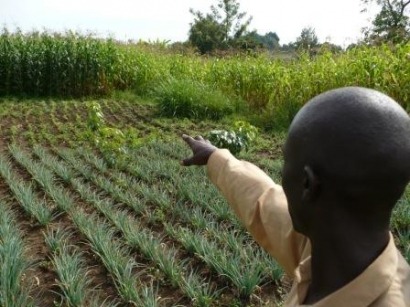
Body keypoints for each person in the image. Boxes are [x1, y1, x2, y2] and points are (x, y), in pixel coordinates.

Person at [181, 87, 410, 306]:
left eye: (286, 162)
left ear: (307, 185)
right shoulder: (327, 250)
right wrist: (216, 157)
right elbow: (266, 205)